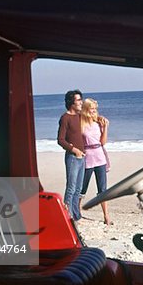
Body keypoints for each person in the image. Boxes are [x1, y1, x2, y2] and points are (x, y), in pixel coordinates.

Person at [79, 98, 112, 225]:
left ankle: (106, 216)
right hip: (87, 158)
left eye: (95, 109)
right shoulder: (81, 124)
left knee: (103, 189)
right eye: (91, 109)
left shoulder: (98, 123)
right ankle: (77, 212)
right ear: (86, 110)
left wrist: (105, 127)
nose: (94, 111)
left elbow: (103, 142)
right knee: (82, 188)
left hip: (100, 157)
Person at [57, 89, 85, 221]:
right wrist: (75, 150)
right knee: (71, 188)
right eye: (79, 100)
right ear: (71, 103)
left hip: (82, 157)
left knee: (78, 189)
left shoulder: (80, 116)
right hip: (73, 158)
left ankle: (76, 216)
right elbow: (60, 140)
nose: (81, 102)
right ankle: (66, 216)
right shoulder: (65, 118)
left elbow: (92, 116)